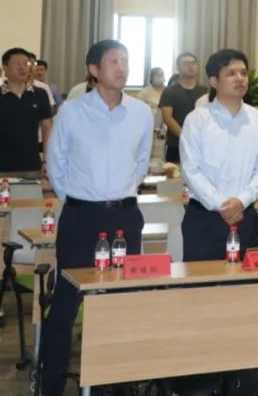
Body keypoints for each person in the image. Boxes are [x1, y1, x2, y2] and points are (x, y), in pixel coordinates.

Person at [40, 40, 151, 396]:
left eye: (126, 61)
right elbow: (56, 163)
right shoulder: (72, 111)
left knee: (122, 301)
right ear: (93, 69)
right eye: (113, 61)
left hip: (125, 217)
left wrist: (119, 194)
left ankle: (116, 384)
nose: (122, 68)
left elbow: (141, 162)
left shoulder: (141, 112)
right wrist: (79, 199)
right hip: (81, 217)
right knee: (66, 301)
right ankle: (50, 384)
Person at [179, 49, 258, 262]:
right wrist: (221, 204)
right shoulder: (197, 119)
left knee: (245, 281)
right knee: (202, 280)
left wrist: (241, 201)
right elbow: (191, 170)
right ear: (214, 81)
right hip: (204, 218)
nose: (240, 78)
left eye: (243, 73)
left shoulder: (257, 119)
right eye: (231, 73)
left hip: (245, 215)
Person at [0, 47, 53, 177]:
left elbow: (47, 128)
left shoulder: (40, 94)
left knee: (32, 191)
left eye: (26, 63)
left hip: (32, 165)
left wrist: (46, 160)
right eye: (17, 64)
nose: (23, 67)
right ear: (5, 68)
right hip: (2, 167)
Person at [160, 52, 209, 164]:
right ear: (178, 68)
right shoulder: (169, 91)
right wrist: (185, 136)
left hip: (201, 144)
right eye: (186, 63)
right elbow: (167, 118)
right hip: (176, 143)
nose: (191, 66)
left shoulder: (205, 91)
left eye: (193, 63)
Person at [136, 66, 168, 173]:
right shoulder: (145, 92)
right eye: (157, 75)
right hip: (150, 128)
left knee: (164, 154)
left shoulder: (168, 91)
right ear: (152, 77)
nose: (160, 77)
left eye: (161, 74)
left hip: (166, 128)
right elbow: (138, 110)